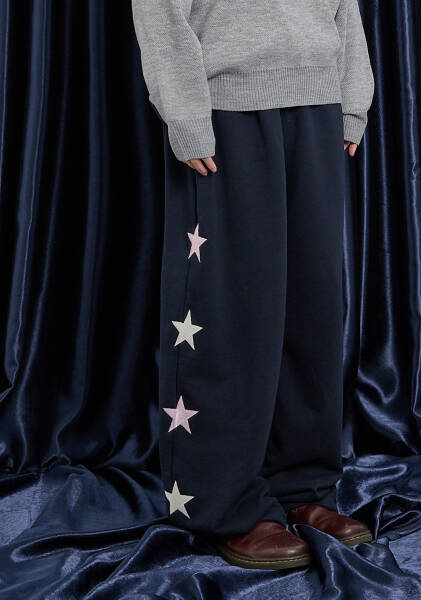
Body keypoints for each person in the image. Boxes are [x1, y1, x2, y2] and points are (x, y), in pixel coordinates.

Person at [131, 0, 375, 570]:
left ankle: (302, 487)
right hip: (225, 111)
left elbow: (346, 9)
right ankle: (225, 503)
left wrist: (351, 101)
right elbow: (160, 10)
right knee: (232, 311)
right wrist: (186, 114)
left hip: (316, 104)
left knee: (312, 309)